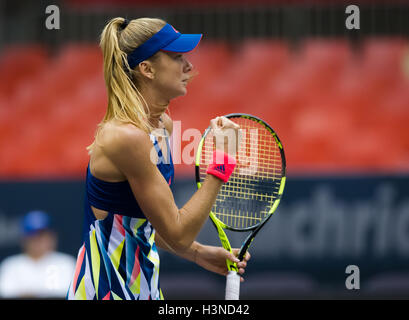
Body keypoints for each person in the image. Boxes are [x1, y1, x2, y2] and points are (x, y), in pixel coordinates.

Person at [67, 17, 250, 300]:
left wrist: (198, 253)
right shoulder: (126, 137)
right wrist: (222, 161)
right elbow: (177, 232)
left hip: (144, 288)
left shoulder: (162, 125)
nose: (189, 66)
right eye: (177, 57)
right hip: (105, 291)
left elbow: (148, 220)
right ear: (147, 69)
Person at [0, 210, 76, 298]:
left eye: (42, 235)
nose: (37, 241)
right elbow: (6, 294)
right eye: (32, 236)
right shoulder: (11, 265)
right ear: (23, 239)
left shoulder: (66, 263)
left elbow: (69, 294)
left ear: (52, 237)